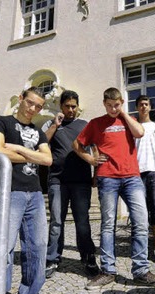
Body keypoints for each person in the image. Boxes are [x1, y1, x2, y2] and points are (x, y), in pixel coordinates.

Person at [73, 87, 155, 290]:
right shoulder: (96, 123)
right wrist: (90, 158)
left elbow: (140, 132)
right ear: (104, 103)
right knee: (108, 225)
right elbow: (77, 144)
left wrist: (124, 114)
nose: (113, 109)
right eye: (109, 105)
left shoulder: (128, 120)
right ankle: (108, 271)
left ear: (122, 103)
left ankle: (141, 271)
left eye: (116, 105)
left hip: (132, 177)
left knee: (141, 222)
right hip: (107, 177)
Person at [0, 86, 54, 294]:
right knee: (4, 249)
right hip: (8, 193)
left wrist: (20, 149)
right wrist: (32, 155)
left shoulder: (38, 132)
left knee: (38, 246)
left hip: (34, 195)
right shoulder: (1, 122)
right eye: (30, 103)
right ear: (21, 99)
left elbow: (48, 159)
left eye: (39, 106)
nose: (33, 109)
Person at [42, 90, 98, 278]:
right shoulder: (51, 124)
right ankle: (52, 259)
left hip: (81, 181)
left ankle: (88, 257)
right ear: (61, 106)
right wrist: (55, 126)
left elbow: (95, 150)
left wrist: (96, 174)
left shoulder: (85, 125)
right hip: (57, 180)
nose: (71, 109)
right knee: (57, 221)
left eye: (74, 106)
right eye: (68, 106)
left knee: (82, 221)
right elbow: (41, 143)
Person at [133, 95, 155, 265]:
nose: (143, 107)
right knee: (140, 213)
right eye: (140, 104)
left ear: (150, 107)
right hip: (137, 174)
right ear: (137, 107)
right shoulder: (133, 128)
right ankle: (140, 249)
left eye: (146, 104)